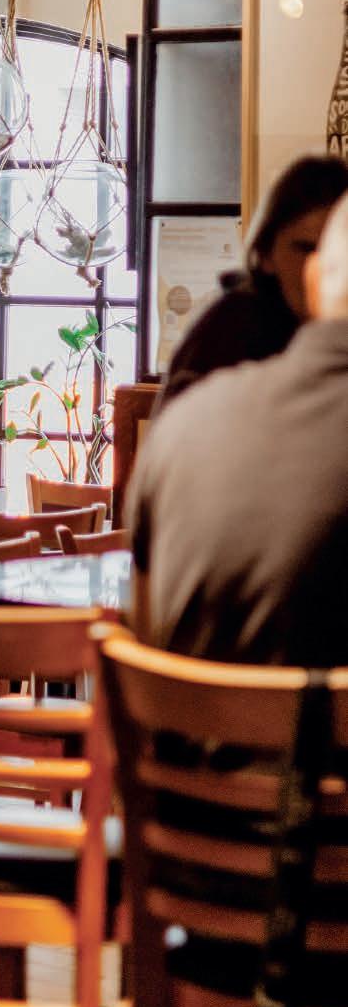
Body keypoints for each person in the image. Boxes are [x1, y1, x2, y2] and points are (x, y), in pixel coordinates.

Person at [129, 191, 348, 665]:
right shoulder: (235, 327)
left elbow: (145, 640)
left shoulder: (182, 425)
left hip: (190, 706)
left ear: (314, 282)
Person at [159, 154, 348, 409]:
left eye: (337, 251)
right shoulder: (228, 331)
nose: (322, 267)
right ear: (266, 254)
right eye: (306, 249)